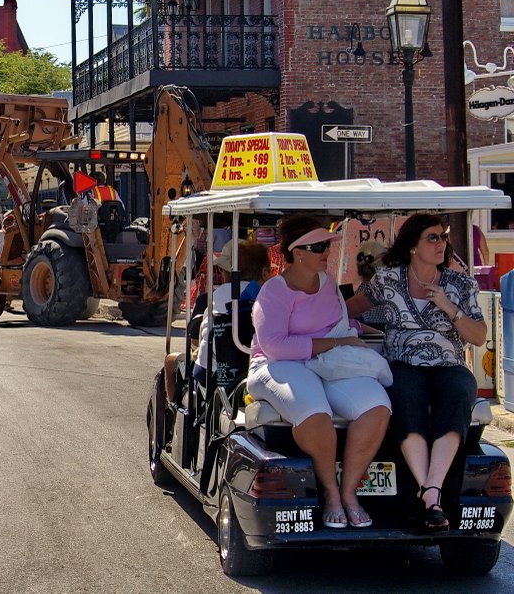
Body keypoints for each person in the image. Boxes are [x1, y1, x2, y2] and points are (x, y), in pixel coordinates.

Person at [247, 214, 391, 529]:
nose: (327, 251)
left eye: (326, 244)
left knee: (376, 407)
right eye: (319, 246)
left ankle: (349, 491)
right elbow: (275, 346)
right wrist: (335, 341)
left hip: (327, 361)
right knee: (315, 414)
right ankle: (331, 493)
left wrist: (359, 334)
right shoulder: (273, 291)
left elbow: (340, 322)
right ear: (298, 252)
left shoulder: (328, 285)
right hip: (276, 365)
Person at [347, 213, 486, 531]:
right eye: (433, 237)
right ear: (412, 246)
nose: (442, 244)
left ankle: (430, 490)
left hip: (448, 363)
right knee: (405, 392)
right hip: (403, 362)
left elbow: (478, 335)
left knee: (459, 390)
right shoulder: (388, 278)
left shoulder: (460, 283)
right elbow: (353, 306)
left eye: (444, 237)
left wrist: (450, 307)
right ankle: (431, 495)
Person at [193, 239, 271, 386]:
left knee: (172, 360)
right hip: (260, 370)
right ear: (265, 272)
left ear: (229, 273)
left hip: (212, 373)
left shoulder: (213, 297)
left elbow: (196, 340)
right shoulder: (272, 297)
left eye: (223, 270)